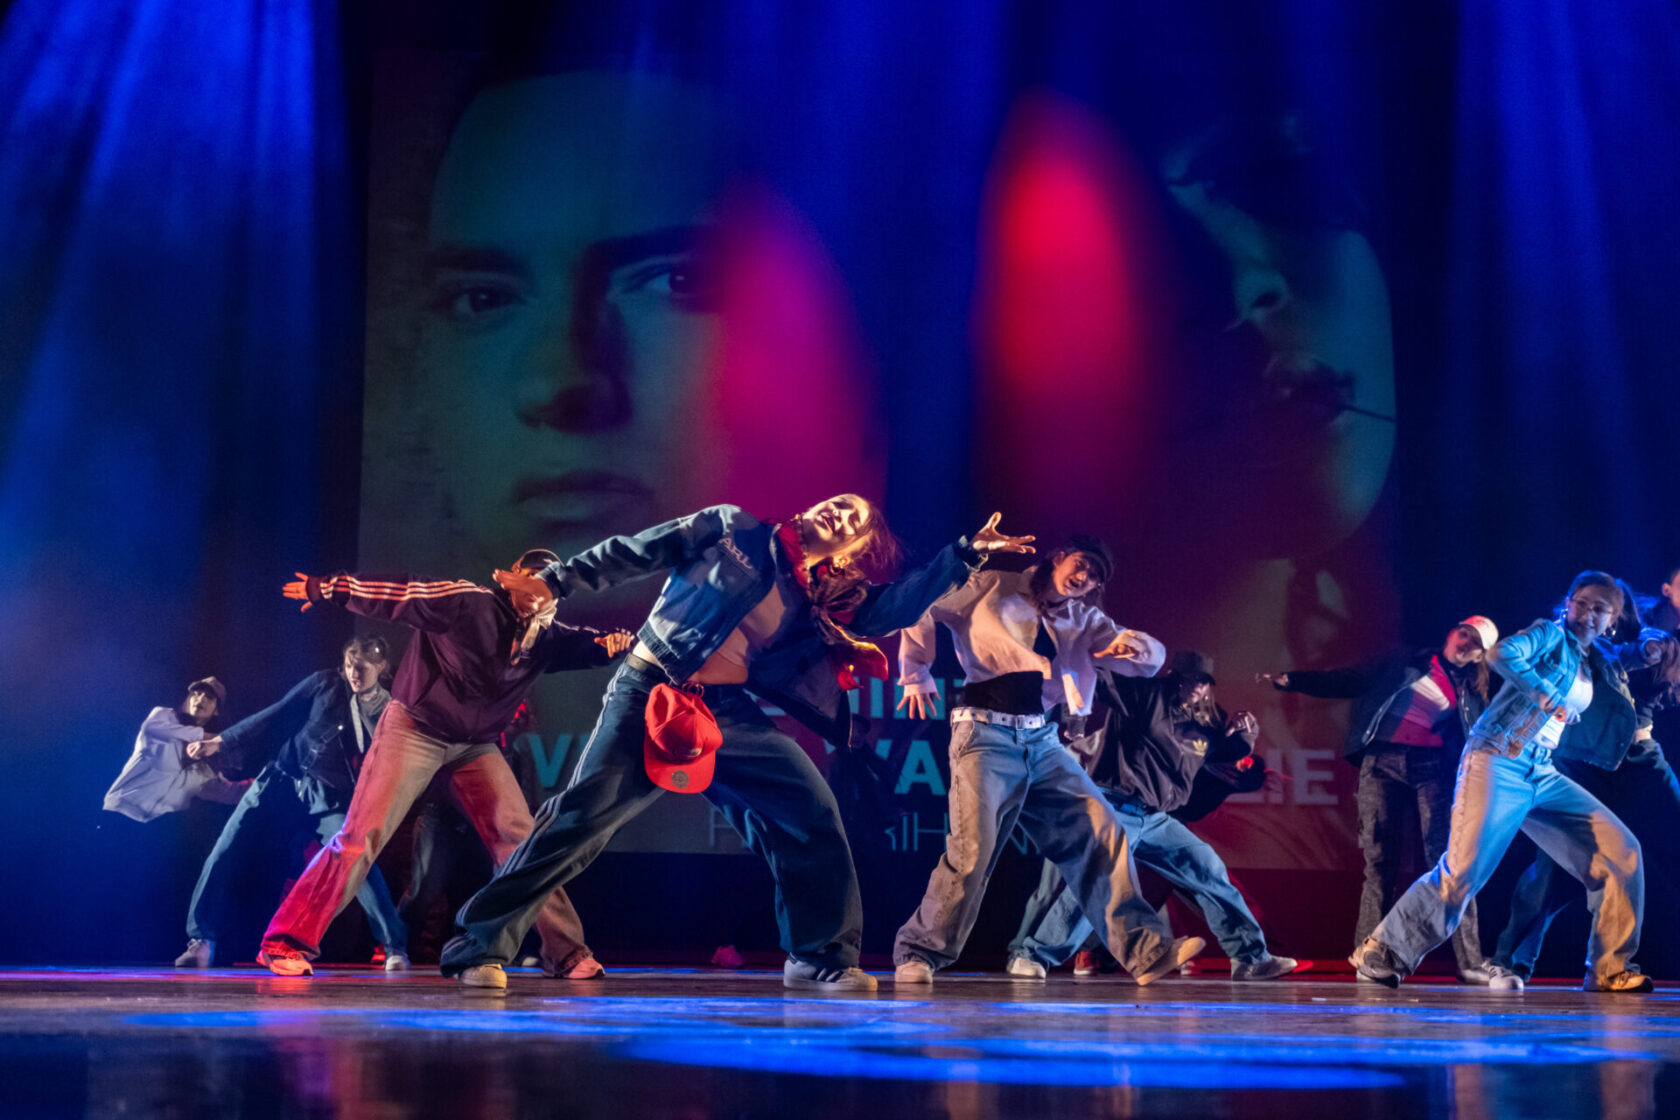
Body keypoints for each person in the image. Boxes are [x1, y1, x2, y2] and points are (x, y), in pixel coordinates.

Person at [440, 496, 1017, 992]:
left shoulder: (819, 596)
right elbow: (638, 550)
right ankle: (477, 945)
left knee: (809, 813)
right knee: (579, 822)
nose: (841, 514)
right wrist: (557, 580)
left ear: (851, 548)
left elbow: (891, 609)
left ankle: (818, 956)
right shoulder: (732, 528)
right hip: (652, 688)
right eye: (839, 503)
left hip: (725, 712)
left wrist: (964, 554)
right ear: (814, 507)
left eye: (855, 520)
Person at [255, 551, 633, 978]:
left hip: (474, 746)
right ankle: (285, 941)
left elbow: (586, 644)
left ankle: (566, 952)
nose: (536, 588)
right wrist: (332, 588)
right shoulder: (468, 602)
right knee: (362, 834)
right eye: (530, 577)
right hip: (415, 729)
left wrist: (611, 645)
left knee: (522, 842)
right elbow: (402, 592)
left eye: (547, 581)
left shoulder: (546, 637)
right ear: (512, 578)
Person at [892, 536, 1203, 986]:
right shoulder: (991, 585)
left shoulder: (1084, 619)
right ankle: (919, 952)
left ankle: (1146, 952)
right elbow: (921, 600)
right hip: (984, 735)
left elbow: (1149, 659)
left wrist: (1129, 645)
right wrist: (915, 671)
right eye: (1082, 564)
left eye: (1095, 577)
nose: (1085, 578)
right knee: (972, 851)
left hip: (1042, 740)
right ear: (1058, 558)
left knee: (1102, 832)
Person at [1350, 572, 1656, 993]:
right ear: (1568, 604)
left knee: (1620, 851)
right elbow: (1503, 653)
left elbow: (1630, 654)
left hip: (1542, 771)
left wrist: (1653, 646)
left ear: (1612, 619)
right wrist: (1543, 691)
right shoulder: (1549, 634)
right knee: (1464, 871)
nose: (1587, 613)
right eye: (1581, 603)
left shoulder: (1597, 657)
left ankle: (1609, 968)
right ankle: (1382, 951)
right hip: (1497, 758)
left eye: (1599, 608)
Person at [1007, 651, 1298, 980]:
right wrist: (1089, 651)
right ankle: (1031, 955)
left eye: (1203, 681)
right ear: (1173, 676)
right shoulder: (1144, 695)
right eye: (1190, 679)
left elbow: (1229, 751)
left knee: (1208, 868)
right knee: (1099, 882)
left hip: (1156, 818)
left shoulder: (1206, 719)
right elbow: (1094, 677)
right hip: (1113, 806)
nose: (1197, 687)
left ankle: (1251, 958)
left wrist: (1246, 732)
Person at [1257, 617, 1500, 983]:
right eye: (1464, 633)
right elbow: (1351, 680)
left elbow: (1485, 736)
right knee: (1380, 862)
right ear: (1452, 633)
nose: (1465, 642)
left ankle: (1470, 962)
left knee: (1450, 865)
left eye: (1475, 643)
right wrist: (1295, 680)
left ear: (1481, 656)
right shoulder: (1402, 660)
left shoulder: (1472, 693)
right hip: (1382, 761)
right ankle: (1367, 956)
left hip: (1431, 768)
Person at [172, 643, 410, 970]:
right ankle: (201, 940)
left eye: (364, 666)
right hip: (279, 783)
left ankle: (394, 947)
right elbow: (276, 712)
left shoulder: (388, 708)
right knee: (225, 849)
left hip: (328, 797)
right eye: (350, 664)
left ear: (381, 668)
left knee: (356, 860)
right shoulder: (325, 683)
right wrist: (220, 741)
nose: (355, 673)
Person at [1488, 609, 1680, 984]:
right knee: (1553, 872)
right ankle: (1510, 960)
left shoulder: (1660, 634)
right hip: (1585, 761)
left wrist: (1656, 650)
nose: (1597, 614)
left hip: (1639, 762)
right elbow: (1626, 647)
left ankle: (1607, 966)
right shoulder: (1589, 635)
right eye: (1590, 606)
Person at [104, 677, 245, 822]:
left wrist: (258, 783)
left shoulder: (206, 761)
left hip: (156, 827)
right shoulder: (165, 717)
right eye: (196, 693)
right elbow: (151, 728)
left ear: (216, 711)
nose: (201, 698)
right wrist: (215, 739)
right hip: (119, 813)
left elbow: (228, 792)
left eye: (209, 697)